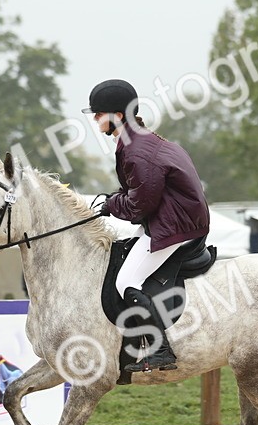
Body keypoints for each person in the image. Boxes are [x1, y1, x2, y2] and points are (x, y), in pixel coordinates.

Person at [84, 78, 210, 372]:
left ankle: (160, 350)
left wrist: (111, 204)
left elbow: (140, 205)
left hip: (175, 225)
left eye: (98, 114)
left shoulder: (137, 149)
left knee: (125, 280)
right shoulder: (139, 139)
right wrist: (117, 201)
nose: (94, 119)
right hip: (174, 218)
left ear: (116, 116)